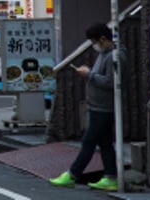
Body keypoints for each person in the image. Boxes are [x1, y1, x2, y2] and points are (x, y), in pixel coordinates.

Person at [50, 23, 120, 191]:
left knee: (89, 141)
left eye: (95, 42)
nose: (94, 45)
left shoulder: (114, 56)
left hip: (104, 107)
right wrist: (90, 74)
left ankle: (73, 174)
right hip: (98, 105)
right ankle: (111, 176)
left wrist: (89, 74)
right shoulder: (105, 54)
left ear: (103, 39)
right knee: (104, 143)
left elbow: (112, 82)